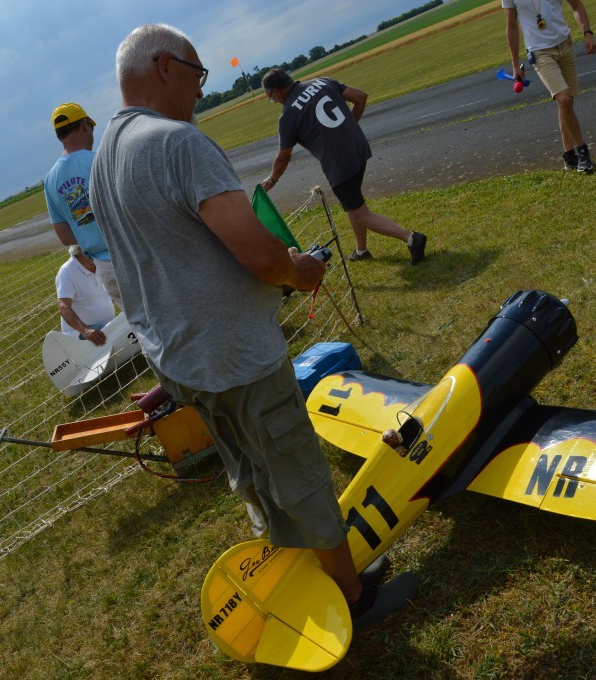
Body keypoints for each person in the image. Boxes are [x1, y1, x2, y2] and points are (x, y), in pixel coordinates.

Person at [91, 23, 418, 632]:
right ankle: (353, 600)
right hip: (236, 355)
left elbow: (147, 267)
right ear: (164, 66)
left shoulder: (104, 156)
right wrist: (301, 272)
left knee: (252, 476)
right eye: (196, 75)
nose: (198, 91)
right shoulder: (177, 143)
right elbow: (262, 257)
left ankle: (299, 578)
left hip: (184, 363)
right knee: (298, 473)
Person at [260, 68, 428, 264]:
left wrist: (273, 179)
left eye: (271, 98)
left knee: (360, 213)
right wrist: (350, 124)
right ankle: (361, 251)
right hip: (358, 147)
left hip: (339, 163)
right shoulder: (321, 81)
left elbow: (283, 157)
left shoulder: (288, 115)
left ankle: (411, 238)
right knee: (353, 206)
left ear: (277, 91)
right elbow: (360, 97)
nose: (275, 101)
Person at [503, 0, 596, 173]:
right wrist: (515, 64)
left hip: (565, 44)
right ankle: (582, 151)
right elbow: (512, 26)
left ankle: (569, 156)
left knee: (566, 104)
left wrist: (587, 32)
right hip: (540, 53)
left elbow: (577, 5)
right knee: (564, 99)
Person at [44, 102, 123, 309]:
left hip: (104, 268)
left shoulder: (50, 180)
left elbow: (65, 237)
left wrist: (88, 230)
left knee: (144, 329)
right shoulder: (100, 159)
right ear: (85, 125)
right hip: (129, 253)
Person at [55, 249, 116, 346]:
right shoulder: (66, 272)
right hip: (83, 333)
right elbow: (63, 307)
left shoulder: (100, 262)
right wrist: (85, 330)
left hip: (108, 324)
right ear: (79, 249)